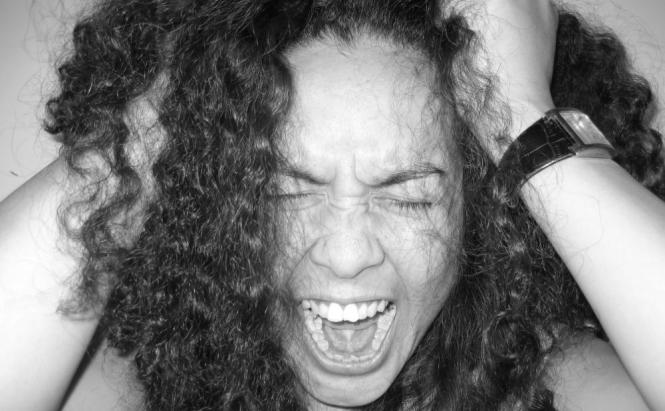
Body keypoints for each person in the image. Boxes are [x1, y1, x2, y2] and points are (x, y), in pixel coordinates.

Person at [1, 0, 664, 409]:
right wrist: (151, 132)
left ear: (481, 211)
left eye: (409, 195)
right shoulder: (127, 386)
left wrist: (518, 118)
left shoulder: (549, 383)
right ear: (214, 197)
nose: (347, 256)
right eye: (285, 189)